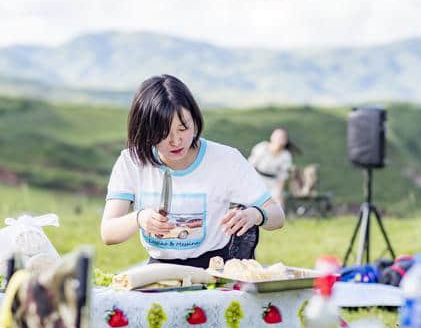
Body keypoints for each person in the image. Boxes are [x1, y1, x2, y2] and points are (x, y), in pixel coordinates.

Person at [100, 75, 285, 268]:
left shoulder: (225, 159)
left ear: (195, 120)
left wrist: (254, 215)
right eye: (163, 134)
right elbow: (108, 233)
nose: (176, 141)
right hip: (159, 272)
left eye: (183, 128)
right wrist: (140, 218)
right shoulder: (132, 161)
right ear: (145, 130)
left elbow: (277, 215)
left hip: (215, 270)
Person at [248, 128, 300, 210]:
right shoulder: (262, 147)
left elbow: (282, 176)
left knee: (277, 204)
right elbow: (251, 166)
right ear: (272, 137)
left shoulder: (286, 155)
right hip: (257, 178)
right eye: (278, 136)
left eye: (282, 137)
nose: (280, 139)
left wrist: (279, 192)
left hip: (273, 182)